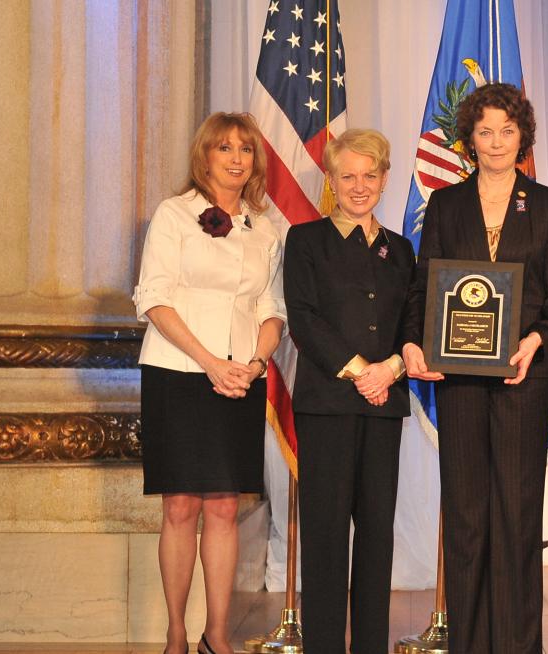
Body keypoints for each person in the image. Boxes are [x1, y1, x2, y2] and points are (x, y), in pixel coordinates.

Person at [402, 82, 548, 653]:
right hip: (459, 381)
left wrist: (535, 341)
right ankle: (469, 644)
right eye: (485, 131)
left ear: (522, 135)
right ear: (468, 140)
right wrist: (413, 343)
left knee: (518, 516)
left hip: (525, 377)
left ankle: (518, 645)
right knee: (469, 516)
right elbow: (424, 284)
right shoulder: (447, 204)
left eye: (507, 130)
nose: (496, 141)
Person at [133, 112, 286, 654]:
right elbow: (152, 296)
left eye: (245, 150)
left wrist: (254, 362)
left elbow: (271, 309)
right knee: (180, 505)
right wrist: (209, 361)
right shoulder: (175, 214)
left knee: (224, 506)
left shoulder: (264, 227)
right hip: (179, 373)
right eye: (225, 148)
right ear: (206, 156)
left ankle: (215, 636)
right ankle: (176, 634)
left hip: (240, 379)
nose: (236, 158)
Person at [283, 128, 415, 654]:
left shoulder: (402, 250)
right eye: (347, 176)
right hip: (327, 407)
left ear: (384, 179)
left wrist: (390, 371)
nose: (359, 186)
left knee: (377, 535)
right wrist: (364, 371)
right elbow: (304, 319)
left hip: (385, 406)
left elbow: (413, 321)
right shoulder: (306, 241)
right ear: (332, 181)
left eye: (370, 175)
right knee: (326, 534)